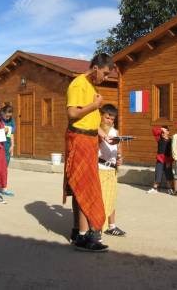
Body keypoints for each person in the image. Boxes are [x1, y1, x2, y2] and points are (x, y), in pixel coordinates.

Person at [63, 53, 114, 252]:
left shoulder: (91, 86)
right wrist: (95, 105)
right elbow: (73, 114)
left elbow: (90, 118)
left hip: (89, 138)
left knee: (80, 185)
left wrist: (102, 134)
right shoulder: (78, 84)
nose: (107, 77)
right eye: (106, 73)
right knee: (84, 187)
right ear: (95, 68)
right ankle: (84, 238)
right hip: (80, 139)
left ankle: (79, 230)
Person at [98, 104, 126, 236]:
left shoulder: (115, 132)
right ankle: (97, 228)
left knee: (112, 199)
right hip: (101, 168)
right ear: (101, 116)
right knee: (102, 200)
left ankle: (111, 226)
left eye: (112, 119)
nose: (110, 121)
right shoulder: (97, 131)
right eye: (107, 117)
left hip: (112, 169)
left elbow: (118, 148)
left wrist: (120, 158)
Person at [147, 126, 173, 194]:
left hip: (168, 160)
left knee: (169, 175)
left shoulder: (171, 140)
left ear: (168, 132)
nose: (163, 133)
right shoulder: (159, 139)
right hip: (160, 160)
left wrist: (170, 162)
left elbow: (172, 152)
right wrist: (161, 129)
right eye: (162, 132)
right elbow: (154, 130)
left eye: (165, 132)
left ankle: (169, 188)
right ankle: (155, 188)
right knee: (158, 173)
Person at [0, 104, 15, 196]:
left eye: (10, 116)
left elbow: (11, 134)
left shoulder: (11, 120)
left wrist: (12, 146)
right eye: (7, 116)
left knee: (5, 169)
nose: (8, 117)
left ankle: (4, 188)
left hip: (7, 145)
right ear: (3, 113)